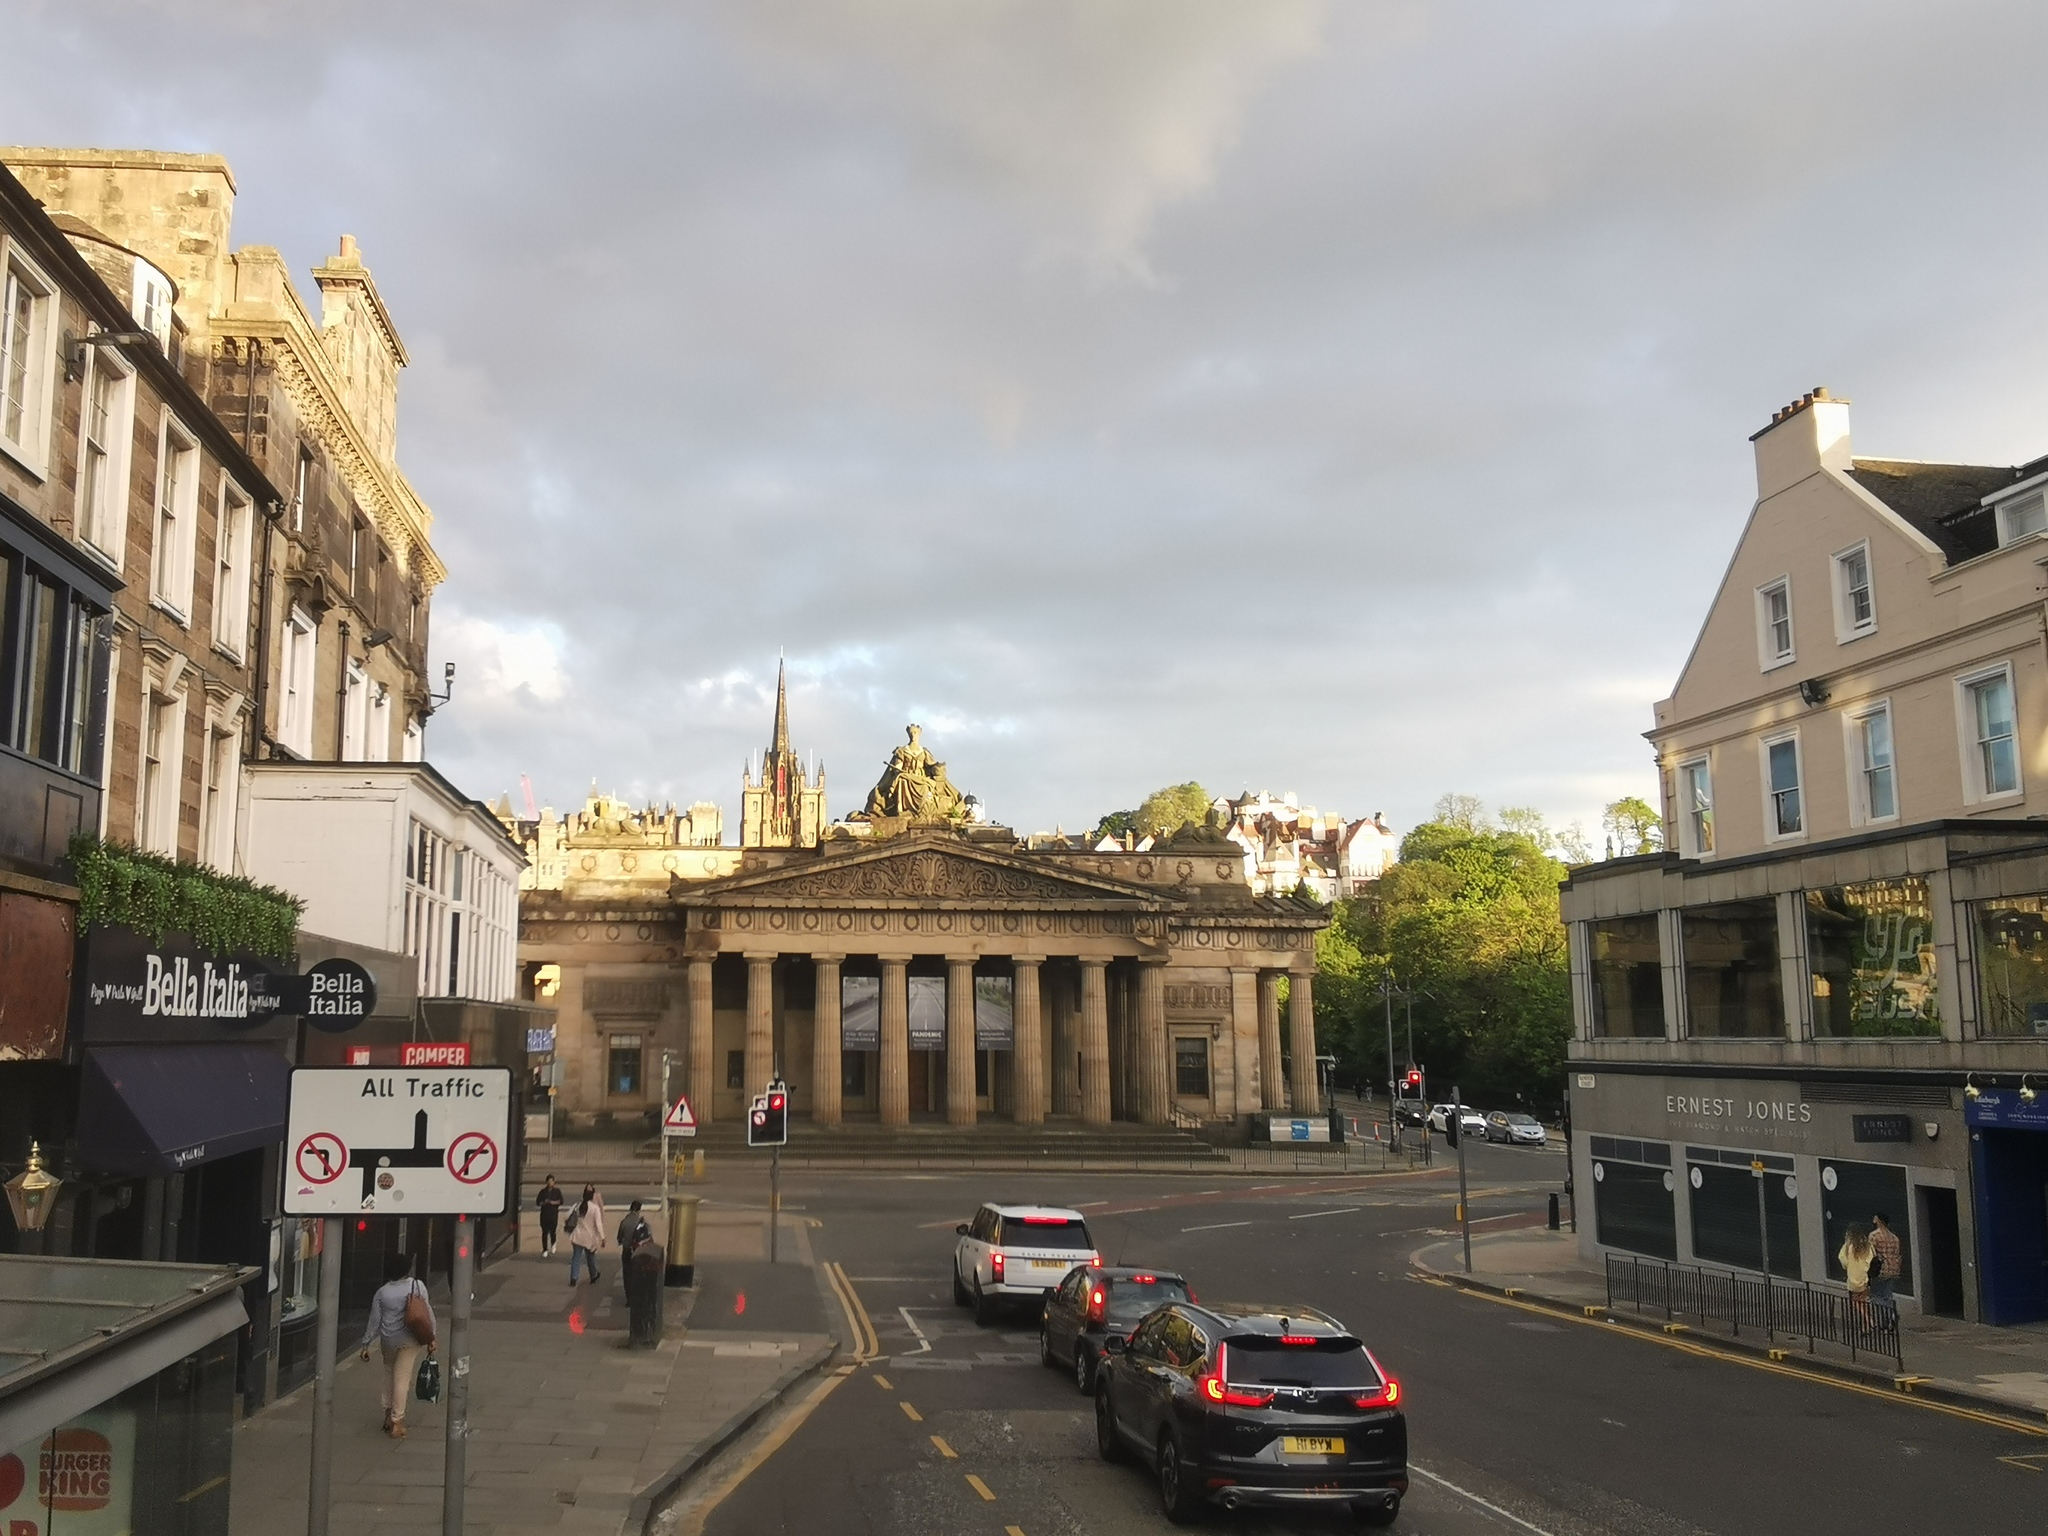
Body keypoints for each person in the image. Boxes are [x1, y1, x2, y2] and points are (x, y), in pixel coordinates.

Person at [358, 1252, 435, 1439]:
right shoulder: (417, 1286)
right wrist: (432, 1337)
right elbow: (427, 1313)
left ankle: (386, 1414)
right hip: (410, 1339)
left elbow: (374, 1320)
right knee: (402, 1378)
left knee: (389, 1374)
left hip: (388, 1340)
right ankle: (396, 1421)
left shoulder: (382, 1292)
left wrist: (366, 1343)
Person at [618, 1199, 660, 1346]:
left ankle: (628, 1297)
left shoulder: (624, 1221)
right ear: (639, 1209)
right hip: (638, 1252)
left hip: (626, 1251)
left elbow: (619, 1238)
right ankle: (636, 1296)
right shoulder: (641, 1223)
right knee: (637, 1276)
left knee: (627, 1273)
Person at [565, 1184, 607, 1286]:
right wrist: (602, 1237)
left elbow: (567, 1215)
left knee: (576, 1257)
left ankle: (573, 1278)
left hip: (578, 1235)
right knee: (590, 1257)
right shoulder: (595, 1208)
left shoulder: (578, 1205)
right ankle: (593, 1275)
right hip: (589, 1237)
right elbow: (598, 1224)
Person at [1838, 1223, 1875, 1326]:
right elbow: (1872, 1258)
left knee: (1855, 1301)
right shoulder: (1867, 1245)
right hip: (1865, 1277)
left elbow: (1843, 1260)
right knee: (1864, 1301)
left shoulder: (1848, 1246)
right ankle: (1867, 1324)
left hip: (1853, 1278)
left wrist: (1848, 1266)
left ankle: (1868, 1320)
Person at [1869, 1210, 1902, 1314]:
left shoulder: (1874, 1236)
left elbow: (1871, 1254)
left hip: (1880, 1270)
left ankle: (1890, 1315)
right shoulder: (1894, 1237)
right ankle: (1890, 1318)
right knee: (1887, 1295)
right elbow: (1897, 1254)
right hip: (1893, 1270)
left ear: (1878, 1220)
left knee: (1876, 1296)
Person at [536, 1175, 564, 1258]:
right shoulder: (542, 1192)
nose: (550, 1183)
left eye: (551, 1181)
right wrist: (544, 1202)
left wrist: (552, 1202)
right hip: (544, 1215)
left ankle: (553, 1244)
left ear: (554, 1182)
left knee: (553, 1231)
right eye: (548, 1181)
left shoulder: (557, 1191)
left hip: (553, 1214)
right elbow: (538, 1202)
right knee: (544, 1233)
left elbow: (561, 1201)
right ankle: (545, 1249)